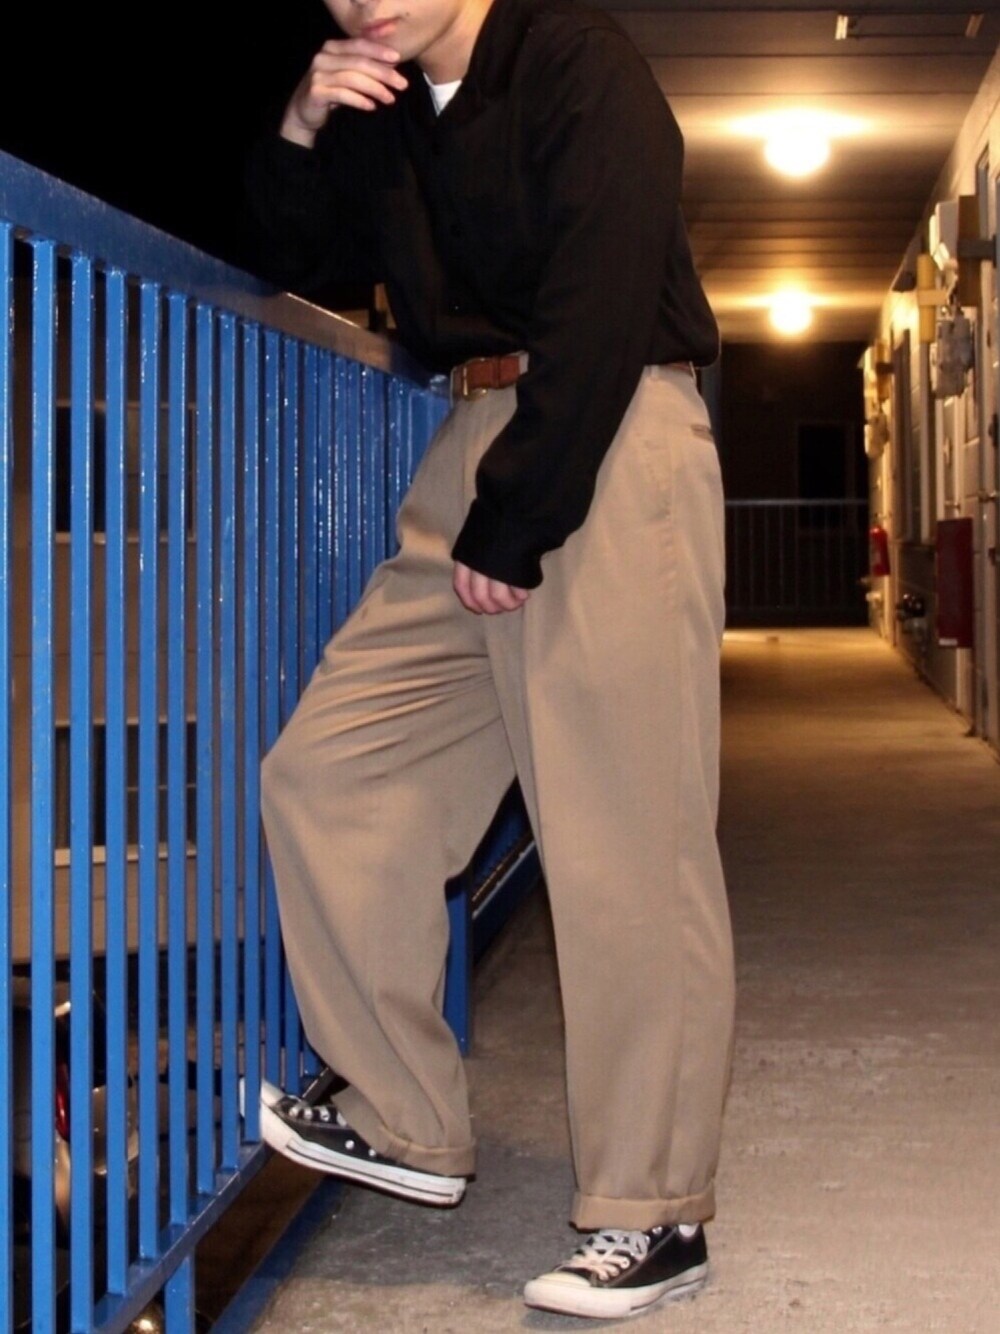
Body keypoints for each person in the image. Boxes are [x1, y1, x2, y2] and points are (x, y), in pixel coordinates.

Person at [245, 0, 734, 1318]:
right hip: (473, 449)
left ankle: (656, 1208)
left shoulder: (575, 61)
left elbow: (607, 299)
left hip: (606, 438)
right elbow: (295, 257)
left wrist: (520, 520)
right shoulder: (387, 105)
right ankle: (407, 1117)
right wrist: (300, 124)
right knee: (332, 773)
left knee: (624, 841)